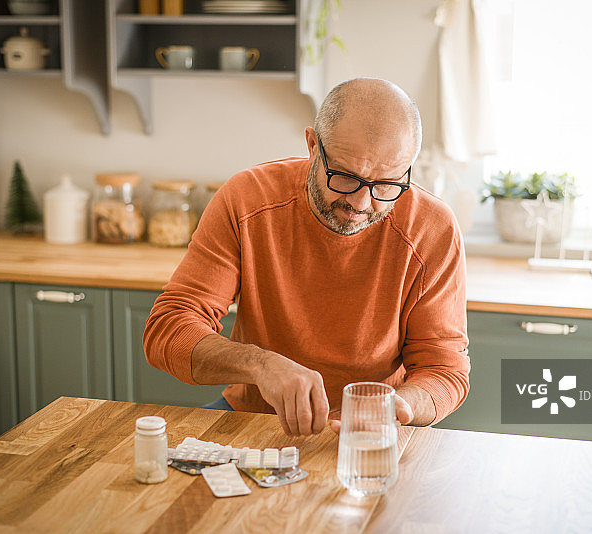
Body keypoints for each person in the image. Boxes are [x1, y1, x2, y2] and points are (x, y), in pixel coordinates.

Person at [143, 77, 470, 437]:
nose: (361, 204)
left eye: (386, 185)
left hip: (372, 432)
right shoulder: (246, 200)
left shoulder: (432, 228)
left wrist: (401, 405)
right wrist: (259, 365)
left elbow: (445, 370)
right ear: (313, 145)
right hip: (257, 416)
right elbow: (168, 329)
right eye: (345, 177)